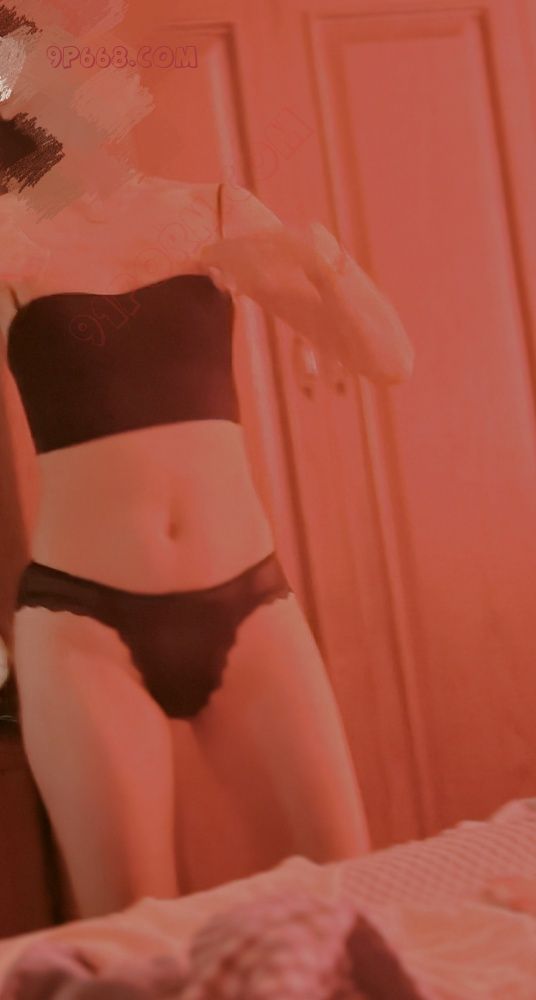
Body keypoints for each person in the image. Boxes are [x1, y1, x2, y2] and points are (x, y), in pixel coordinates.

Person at [0, 62, 413, 922]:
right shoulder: (9, 241)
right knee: (134, 927)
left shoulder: (214, 209)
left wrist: (317, 259)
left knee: (346, 896)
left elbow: (386, 359)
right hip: (81, 626)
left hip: (249, 604)